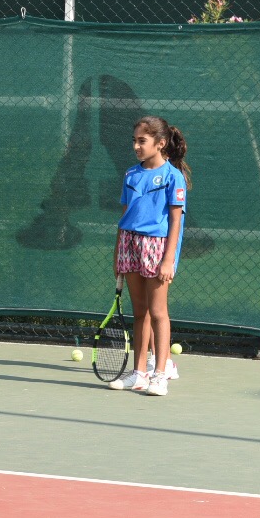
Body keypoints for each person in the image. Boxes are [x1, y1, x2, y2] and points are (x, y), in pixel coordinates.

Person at [111, 116, 189, 396]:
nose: (136, 146)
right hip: (129, 244)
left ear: (161, 143)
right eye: (134, 140)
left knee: (158, 313)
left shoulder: (173, 176)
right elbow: (124, 216)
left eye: (141, 141)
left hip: (157, 247)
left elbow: (176, 222)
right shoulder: (130, 174)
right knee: (139, 313)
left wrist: (169, 259)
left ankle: (160, 375)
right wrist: (117, 253)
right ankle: (139, 374)